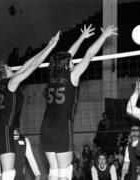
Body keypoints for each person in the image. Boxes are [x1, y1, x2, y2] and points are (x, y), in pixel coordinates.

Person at [40, 24, 117, 180]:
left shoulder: (53, 77)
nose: (72, 60)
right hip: (62, 128)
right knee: (65, 173)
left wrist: (82, 37)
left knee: (53, 172)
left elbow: (67, 55)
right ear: (67, 66)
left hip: (45, 127)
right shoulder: (72, 76)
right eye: (70, 61)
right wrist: (103, 36)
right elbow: (89, 55)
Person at [0, 32, 60, 180]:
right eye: (7, 67)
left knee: (9, 173)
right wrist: (51, 47)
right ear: (4, 73)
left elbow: (27, 64)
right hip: (5, 130)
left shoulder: (6, 83)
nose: (10, 67)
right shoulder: (11, 83)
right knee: (8, 174)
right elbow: (32, 67)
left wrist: (49, 45)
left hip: (4, 129)